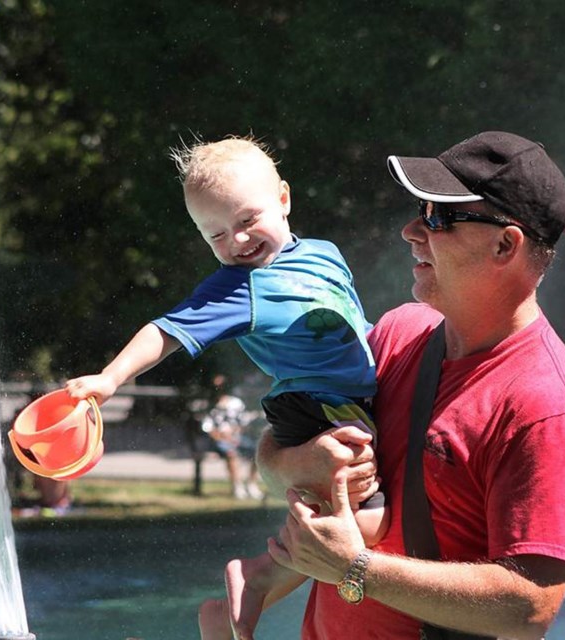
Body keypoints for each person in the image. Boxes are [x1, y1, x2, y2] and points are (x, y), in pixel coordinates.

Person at [258, 131, 565, 639]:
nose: (410, 231)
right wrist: (293, 463)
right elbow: (274, 454)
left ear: (505, 244)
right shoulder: (398, 331)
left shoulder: (550, 405)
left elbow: (529, 608)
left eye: (437, 217)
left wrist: (356, 569)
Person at [63, 136, 386, 637]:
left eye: (246, 220)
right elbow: (166, 330)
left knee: (345, 527)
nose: (236, 241)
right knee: (365, 524)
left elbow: (355, 322)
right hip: (314, 407)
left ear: (283, 199)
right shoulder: (237, 288)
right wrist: (111, 378)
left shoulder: (325, 254)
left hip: (350, 403)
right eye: (215, 234)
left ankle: (233, 608)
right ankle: (254, 577)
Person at [199, 373, 263, 500]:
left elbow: (243, 423)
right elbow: (208, 428)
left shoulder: (236, 403)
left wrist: (234, 434)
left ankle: (252, 484)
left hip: (236, 437)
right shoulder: (209, 405)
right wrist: (221, 436)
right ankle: (237, 486)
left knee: (258, 452)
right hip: (218, 440)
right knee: (231, 453)